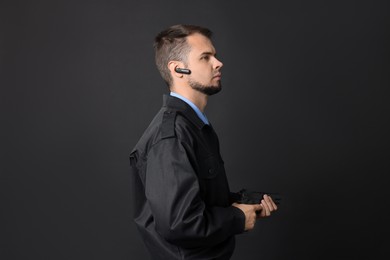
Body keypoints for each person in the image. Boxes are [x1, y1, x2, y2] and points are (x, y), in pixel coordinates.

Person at [129, 24, 278, 260]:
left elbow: (194, 200)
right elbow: (180, 223)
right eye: (205, 57)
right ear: (178, 69)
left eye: (215, 56)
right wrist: (237, 218)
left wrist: (242, 201)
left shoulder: (193, 126)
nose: (218, 63)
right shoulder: (172, 135)